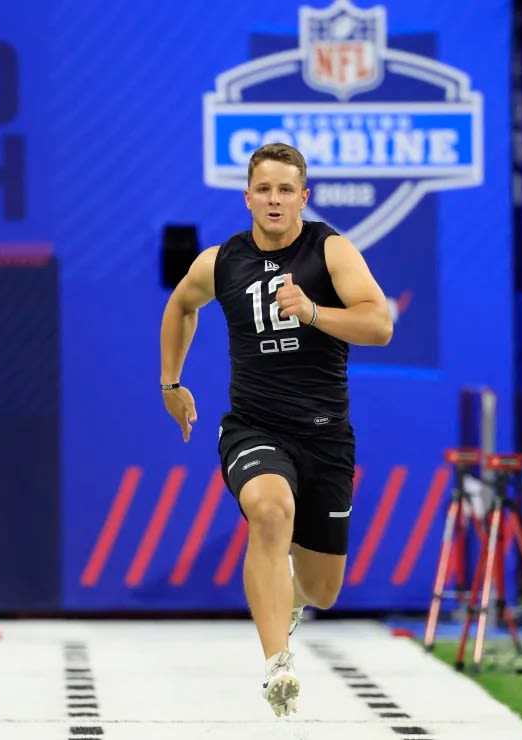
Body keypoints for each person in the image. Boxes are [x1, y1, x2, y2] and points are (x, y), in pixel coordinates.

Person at [158, 142, 393, 717]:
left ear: (303, 198)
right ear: (247, 197)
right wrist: (171, 383)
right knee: (267, 510)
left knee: (323, 590)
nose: (274, 199)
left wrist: (312, 311)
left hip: (325, 436)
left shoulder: (330, 250)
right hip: (254, 427)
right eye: (264, 188)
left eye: (286, 190)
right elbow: (181, 306)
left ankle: (287, 598)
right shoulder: (221, 261)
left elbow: (379, 324)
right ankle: (277, 665)